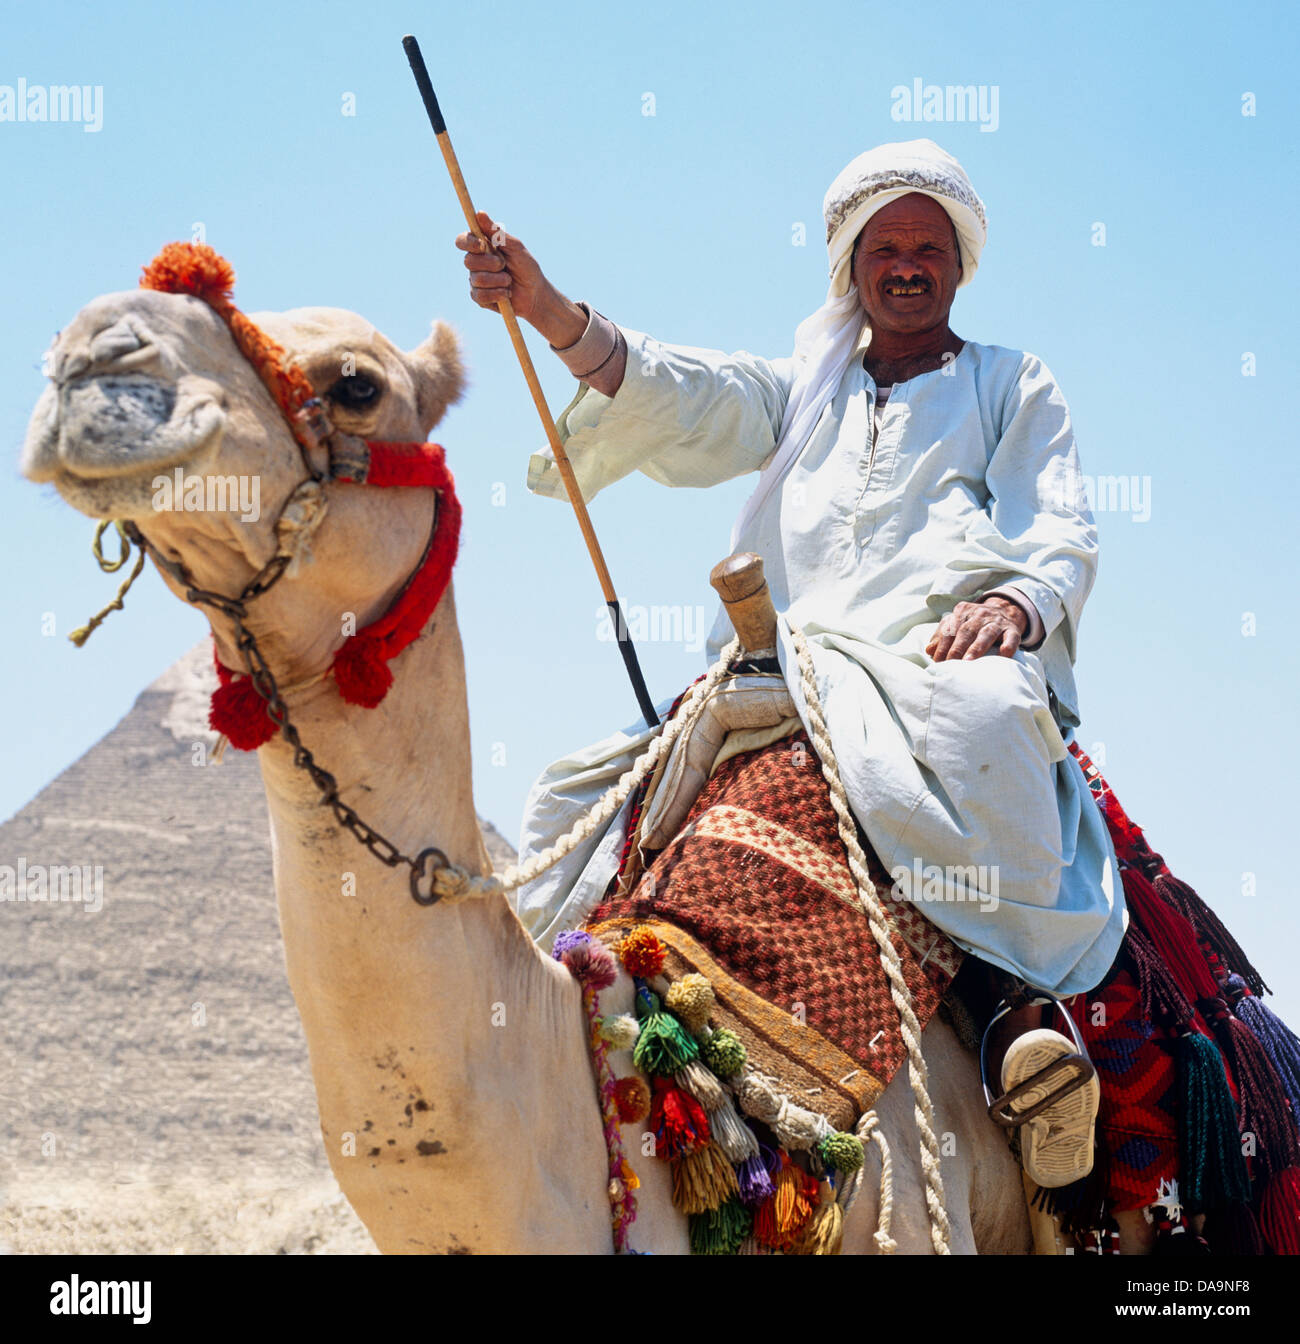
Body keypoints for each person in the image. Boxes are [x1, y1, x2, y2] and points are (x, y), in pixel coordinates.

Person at [457, 139, 1122, 1186]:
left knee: (991, 720)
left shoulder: (1009, 383)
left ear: (958, 265)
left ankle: (1015, 1017)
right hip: (791, 665)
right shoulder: (798, 395)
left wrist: (1014, 600)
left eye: (927, 248)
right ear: (850, 267)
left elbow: (1060, 524)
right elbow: (678, 387)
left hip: (937, 659)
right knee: (570, 800)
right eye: (884, 247)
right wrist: (544, 309)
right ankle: (541, 1029)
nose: (905, 265)